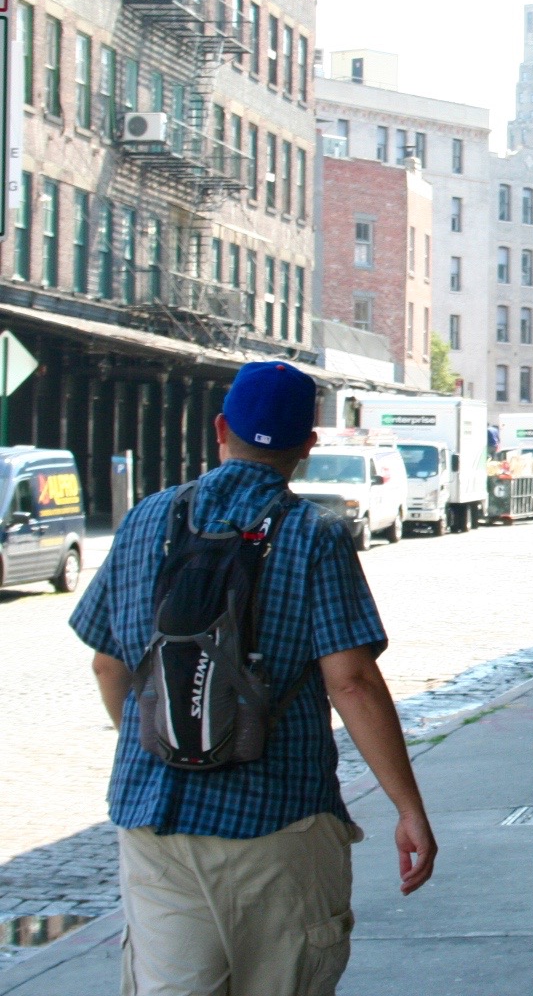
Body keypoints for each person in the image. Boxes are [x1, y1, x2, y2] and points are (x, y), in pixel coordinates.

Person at [70, 362, 436, 996]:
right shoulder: (314, 536)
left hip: (156, 822)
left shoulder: (146, 520)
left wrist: (155, 740)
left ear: (220, 429)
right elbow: (350, 682)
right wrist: (409, 808)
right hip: (279, 822)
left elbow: (108, 662)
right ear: (308, 444)